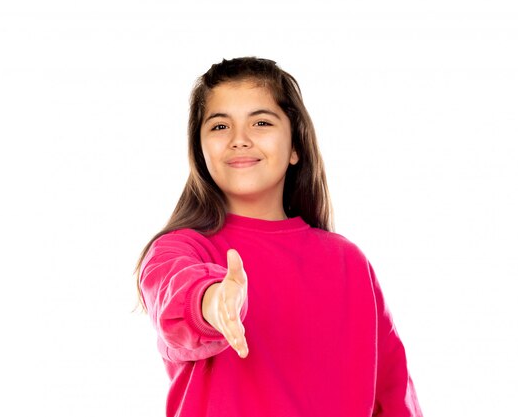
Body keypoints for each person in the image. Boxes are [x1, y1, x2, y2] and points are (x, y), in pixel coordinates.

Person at [136, 57, 422, 417]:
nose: (240, 140)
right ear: (200, 150)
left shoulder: (349, 262)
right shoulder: (180, 249)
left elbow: (393, 396)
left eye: (261, 122)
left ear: (295, 147)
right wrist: (214, 301)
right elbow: (173, 297)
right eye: (220, 126)